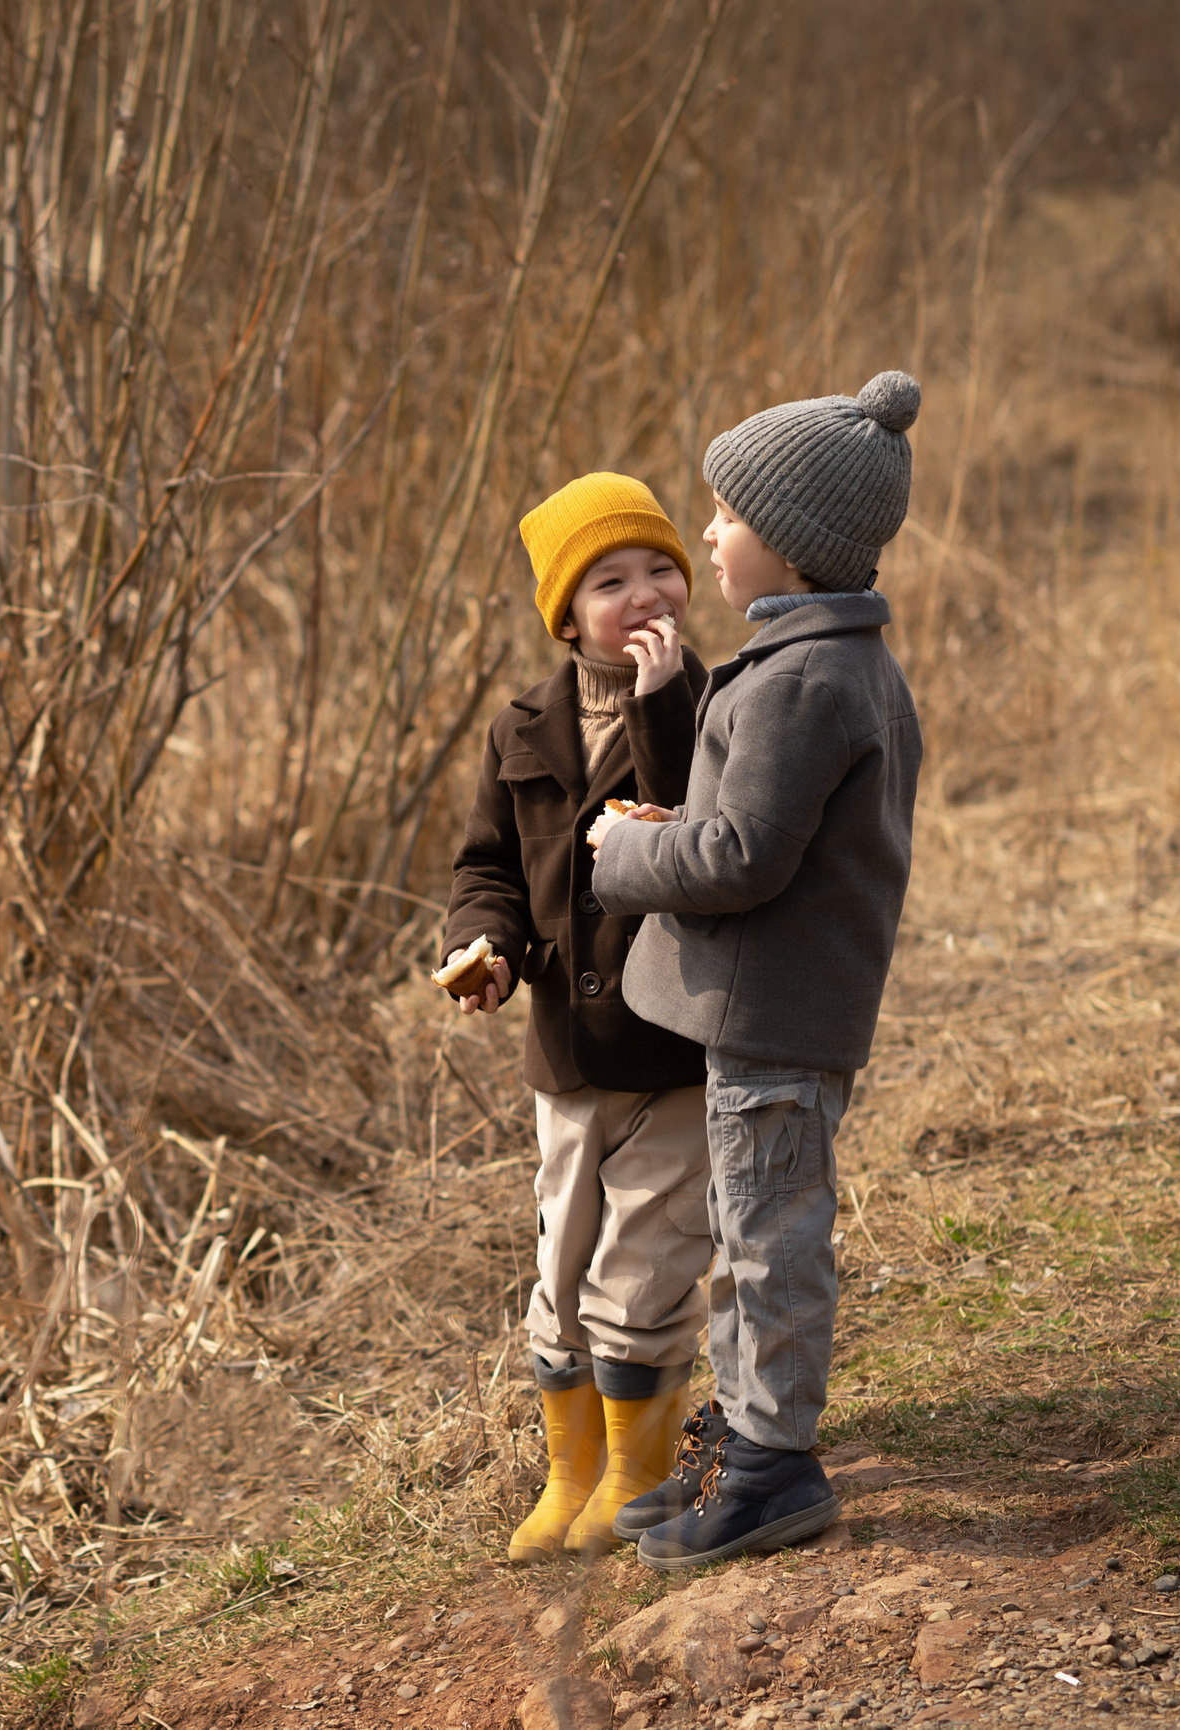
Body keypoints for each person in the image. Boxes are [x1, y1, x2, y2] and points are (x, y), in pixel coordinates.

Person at [585, 372, 927, 1570]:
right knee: (746, 1226)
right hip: (779, 1014)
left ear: (784, 546)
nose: (709, 537)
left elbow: (736, 858)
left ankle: (775, 1465)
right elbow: (750, 828)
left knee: (768, 1238)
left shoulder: (807, 680)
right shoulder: (819, 665)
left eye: (723, 517)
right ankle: (744, 1430)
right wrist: (674, 819)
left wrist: (630, 849)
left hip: (778, 1022)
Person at [443, 472, 719, 1562]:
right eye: (611, 580)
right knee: (560, 1268)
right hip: (565, 1049)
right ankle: (570, 1475)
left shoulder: (711, 703)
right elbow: (487, 868)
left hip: (671, 1044)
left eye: (661, 569)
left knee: (644, 1263)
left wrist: (660, 706)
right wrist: (486, 945)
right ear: (565, 613)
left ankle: (639, 1479)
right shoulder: (520, 729)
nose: (644, 592)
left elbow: (701, 829)